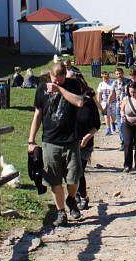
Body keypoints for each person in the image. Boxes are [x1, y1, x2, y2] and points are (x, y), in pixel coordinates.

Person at [27, 61, 87, 226]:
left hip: (71, 140)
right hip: (50, 141)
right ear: (50, 75)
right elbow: (38, 114)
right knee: (54, 180)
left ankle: (72, 199)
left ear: (64, 75)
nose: (56, 82)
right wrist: (31, 140)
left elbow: (79, 102)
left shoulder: (73, 85)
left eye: (60, 79)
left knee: (74, 177)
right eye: (54, 79)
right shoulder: (41, 89)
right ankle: (61, 212)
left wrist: (60, 89)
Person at [75, 74, 101, 210]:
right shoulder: (67, 101)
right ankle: (76, 195)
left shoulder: (89, 102)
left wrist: (87, 137)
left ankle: (83, 196)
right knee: (69, 172)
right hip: (69, 143)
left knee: (79, 170)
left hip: (85, 143)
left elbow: (97, 124)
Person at [113, 67, 131, 151]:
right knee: (120, 126)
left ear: (123, 73)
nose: (119, 75)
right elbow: (112, 94)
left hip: (128, 106)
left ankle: (130, 142)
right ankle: (123, 142)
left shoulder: (128, 82)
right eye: (117, 74)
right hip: (118, 106)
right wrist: (106, 106)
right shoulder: (114, 83)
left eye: (120, 73)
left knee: (128, 124)